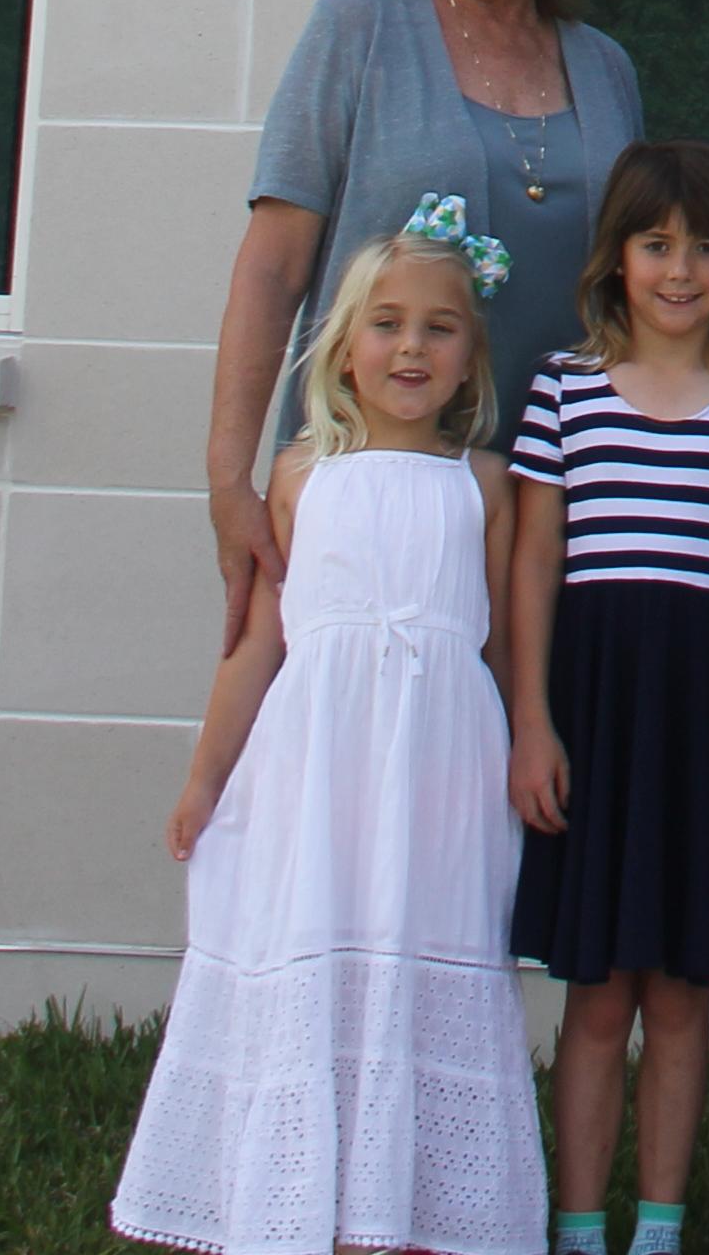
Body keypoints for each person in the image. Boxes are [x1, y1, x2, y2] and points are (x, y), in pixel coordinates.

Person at [123, 213, 554, 1255]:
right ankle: (290, 1197)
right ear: (344, 348)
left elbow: (506, 644)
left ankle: (412, 1211)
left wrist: (532, 735)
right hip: (319, 768)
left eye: (440, 330)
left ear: (471, 362)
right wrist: (204, 775)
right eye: (388, 325)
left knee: (420, 947)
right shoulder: (301, 476)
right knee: (318, 941)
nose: (411, 349)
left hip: (439, 769)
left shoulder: (485, 485)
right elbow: (259, 647)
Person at [210, 0, 645, 650]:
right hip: (376, 491)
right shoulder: (356, 29)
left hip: (555, 502)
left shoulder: (607, 71)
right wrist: (230, 482)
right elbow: (274, 267)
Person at [507, 143, 709, 1255]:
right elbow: (535, 563)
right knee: (596, 995)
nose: (682, 270)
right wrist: (532, 722)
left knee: (682, 994)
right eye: (657, 245)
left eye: (707, 248)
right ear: (616, 262)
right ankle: (580, 1227)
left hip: (704, 721)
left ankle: (660, 1230)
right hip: (597, 717)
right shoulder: (563, 391)